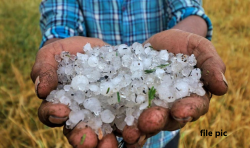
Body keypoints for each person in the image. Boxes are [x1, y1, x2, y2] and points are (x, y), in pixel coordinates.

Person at [31, 0, 228, 147]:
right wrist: (60, 52)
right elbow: (61, 19)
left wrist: (184, 38)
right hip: (97, 133)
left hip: (163, 133)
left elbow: (189, 10)